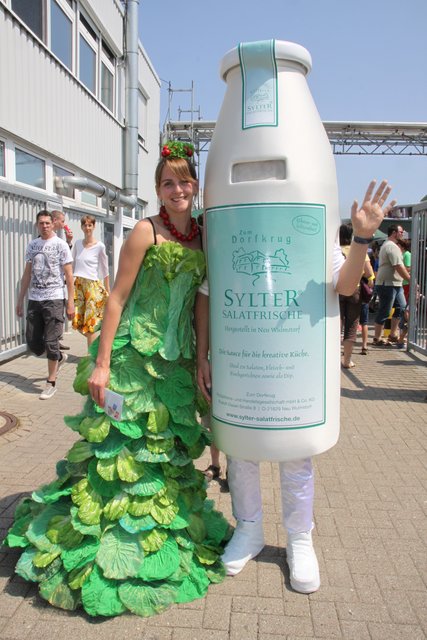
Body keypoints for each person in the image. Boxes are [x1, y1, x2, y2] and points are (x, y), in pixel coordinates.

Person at [5, 142, 230, 618]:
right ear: (157, 189)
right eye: (167, 183)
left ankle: (155, 533)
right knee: (119, 448)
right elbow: (116, 298)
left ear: (197, 185)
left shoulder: (206, 236)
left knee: (163, 448)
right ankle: (105, 537)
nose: (177, 190)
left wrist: (202, 356)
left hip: (176, 361)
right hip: (131, 356)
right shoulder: (145, 233)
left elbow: (203, 301)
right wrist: (103, 361)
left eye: (184, 181)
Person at [196, 180, 393, 594]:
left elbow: (344, 286)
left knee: (296, 455)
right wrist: (203, 355)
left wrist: (360, 236)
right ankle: (248, 530)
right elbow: (209, 293)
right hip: (242, 359)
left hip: (293, 363)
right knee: (242, 449)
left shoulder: (314, 224)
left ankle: (300, 540)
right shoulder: (230, 229)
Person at [15, 210, 74, 399]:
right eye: (41, 223)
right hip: (35, 298)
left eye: (48, 223)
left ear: (52, 224)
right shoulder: (32, 245)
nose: (45, 226)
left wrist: (70, 301)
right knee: (33, 342)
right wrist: (20, 299)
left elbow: (69, 276)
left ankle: (51, 382)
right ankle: (58, 357)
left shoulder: (61, 245)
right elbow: (27, 274)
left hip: (55, 298)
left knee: (51, 341)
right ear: (37, 225)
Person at [72, 215, 110, 348]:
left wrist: (108, 290)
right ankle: (97, 345)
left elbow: (105, 270)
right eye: (85, 225)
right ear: (81, 227)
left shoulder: (100, 246)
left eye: (90, 225)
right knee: (78, 323)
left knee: (90, 325)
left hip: (91, 286)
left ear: (94, 226)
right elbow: (72, 266)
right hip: (78, 286)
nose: (87, 228)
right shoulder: (77, 244)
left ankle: (91, 358)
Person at [339, 223, 374, 366]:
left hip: (336, 291)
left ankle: (332, 359)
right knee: (352, 325)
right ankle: (347, 360)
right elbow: (369, 273)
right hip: (355, 290)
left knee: (336, 323)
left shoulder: (334, 251)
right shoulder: (358, 251)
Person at [373, 224, 411, 346]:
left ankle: (393, 334)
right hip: (387, 284)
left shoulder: (390, 245)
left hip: (395, 283)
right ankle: (377, 338)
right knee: (385, 310)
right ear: (394, 232)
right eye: (401, 231)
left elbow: (399, 266)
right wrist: (411, 279)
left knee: (402, 308)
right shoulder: (391, 246)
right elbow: (398, 266)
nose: (403, 233)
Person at [52, 210, 73, 350]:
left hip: (58, 287)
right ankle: (53, 344)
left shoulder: (59, 241)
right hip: (51, 287)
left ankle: (55, 343)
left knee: (57, 317)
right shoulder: (44, 238)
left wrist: (68, 242)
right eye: (62, 221)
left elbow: (64, 258)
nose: (64, 224)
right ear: (55, 220)